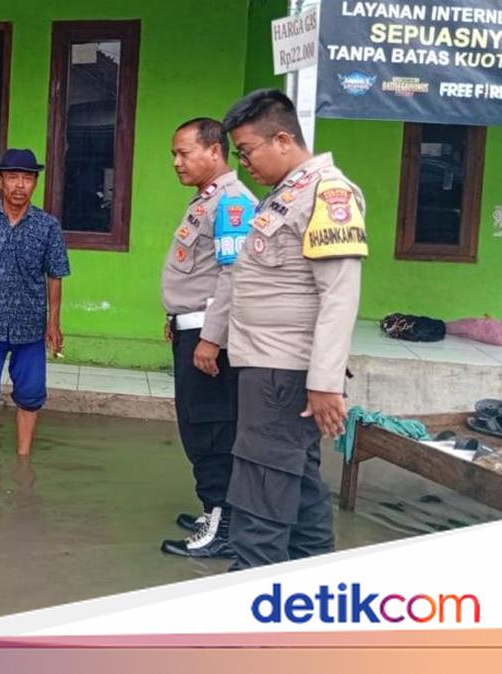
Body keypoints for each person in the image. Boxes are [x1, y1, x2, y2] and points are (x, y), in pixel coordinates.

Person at [221, 89, 367, 569]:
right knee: (298, 491)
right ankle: (310, 597)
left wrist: (325, 382)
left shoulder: (329, 193)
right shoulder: (287, 194)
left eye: (246, 151)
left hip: (282, 373)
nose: (244, 164)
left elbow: (339, 292)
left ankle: (250, 609)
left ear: (282, 139)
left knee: (259, 498)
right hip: (269, 367)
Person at [159, 118, 257, 559]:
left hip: (209, 335)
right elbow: (199, 272)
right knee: (197, 425)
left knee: (212, 429)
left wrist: (210, 338)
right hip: (193, 326)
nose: (177, 162)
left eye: (184, 153)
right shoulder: (208, 199)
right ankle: (213, 510)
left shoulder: (233, 203)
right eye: (174, 155)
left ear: (214, 152)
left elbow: (233, 278)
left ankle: (224, 524)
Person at [0, 149, 70, 458]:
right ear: (0, 181)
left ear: (35, 183)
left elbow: (55, 276)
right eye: (13, 177)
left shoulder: (48, 226)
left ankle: (23, 458)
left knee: (31, 394)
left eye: (27, 178)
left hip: (31, 328)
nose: (20, 185)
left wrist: (53, 323)